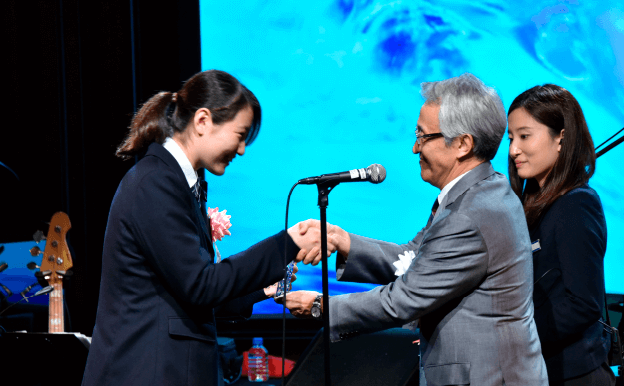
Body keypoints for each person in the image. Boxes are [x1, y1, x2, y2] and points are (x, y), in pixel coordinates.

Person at [283, 73, 548, 385]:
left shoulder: (473, 212)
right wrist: (344, 242)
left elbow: (404, 299)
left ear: (462, 144)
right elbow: (416, 257)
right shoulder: (479, 193)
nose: (413, 148)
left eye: (423, 137)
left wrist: (319, 305)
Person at [82, 70, 330, 386]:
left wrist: (263, 290)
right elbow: (200, 286)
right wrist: (287, 243)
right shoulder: (155, 183)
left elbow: (189, 292)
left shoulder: (178, 183)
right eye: (240, 135)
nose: (241, 149)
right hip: (147, 372)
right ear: (202, 121)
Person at [507, 84, 614, 385]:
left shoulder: (576, 205)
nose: (513, 149)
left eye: (524, 136)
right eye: (511, 138)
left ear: (561, 138)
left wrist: (510, 341)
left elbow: (582, 304)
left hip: (574, 375)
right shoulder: (531, 207)